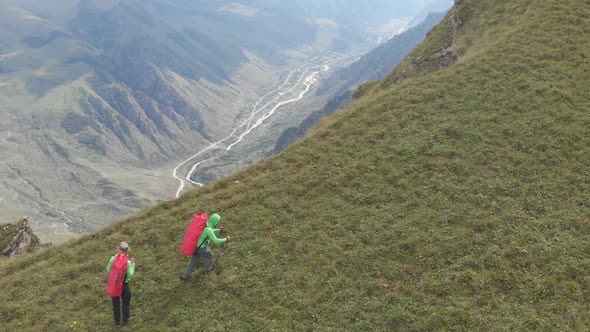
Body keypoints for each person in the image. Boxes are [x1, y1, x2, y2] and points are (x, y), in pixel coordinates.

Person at [181, 213, 231, 281]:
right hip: (202, 248)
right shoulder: (209, 230)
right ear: (215, 221)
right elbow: (216, 240)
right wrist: (226, 239)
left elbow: (210, 230)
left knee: (192, 262)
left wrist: (219, 229)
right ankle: (207, 270)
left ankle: (185, 276)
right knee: (210, 257)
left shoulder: (205, 224)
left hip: (196, 246)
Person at [106, 242, 136, 326]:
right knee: (126, 304)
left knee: (116, 304)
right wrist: (133, 264)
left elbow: (108, 270)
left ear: (118, 249)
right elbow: (130, 274)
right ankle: (126, 321)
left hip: (115, 285)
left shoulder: (112, 259)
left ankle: (117, 323)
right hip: (124, 286)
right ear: (128, 250)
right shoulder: (128, 262)